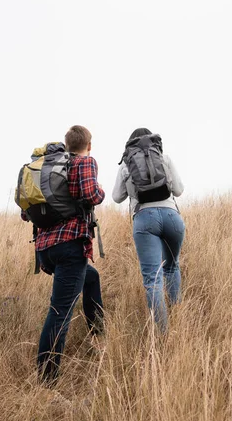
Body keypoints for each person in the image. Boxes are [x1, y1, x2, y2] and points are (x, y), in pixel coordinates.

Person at [25, 125, 105, 384]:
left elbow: (26, 213)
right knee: (60, 311)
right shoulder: (84, 162)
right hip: (70, 246)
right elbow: (91, 194)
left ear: (66, 143)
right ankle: (47, 380)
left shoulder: (48, 168)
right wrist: (100, 191)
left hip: (45, 249)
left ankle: (98, 333)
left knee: (91, 278)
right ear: (88, 145)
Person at [112, 128, 185, 332]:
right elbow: (179, 190)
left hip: (145, 219)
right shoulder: (164, 158)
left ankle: (162, 335)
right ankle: (177, 315)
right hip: (172, 217)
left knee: (153, 279)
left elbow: (117, 197)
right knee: (172, 267)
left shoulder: (127, 164)